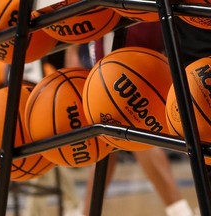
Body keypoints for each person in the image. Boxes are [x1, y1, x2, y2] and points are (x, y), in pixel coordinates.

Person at [65, 21, 196, 216]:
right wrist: (72, 50)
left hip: (155, 20)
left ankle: (86, 212)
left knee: (119, 127)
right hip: (122, 24)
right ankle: (179, 210)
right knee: (127, 121)